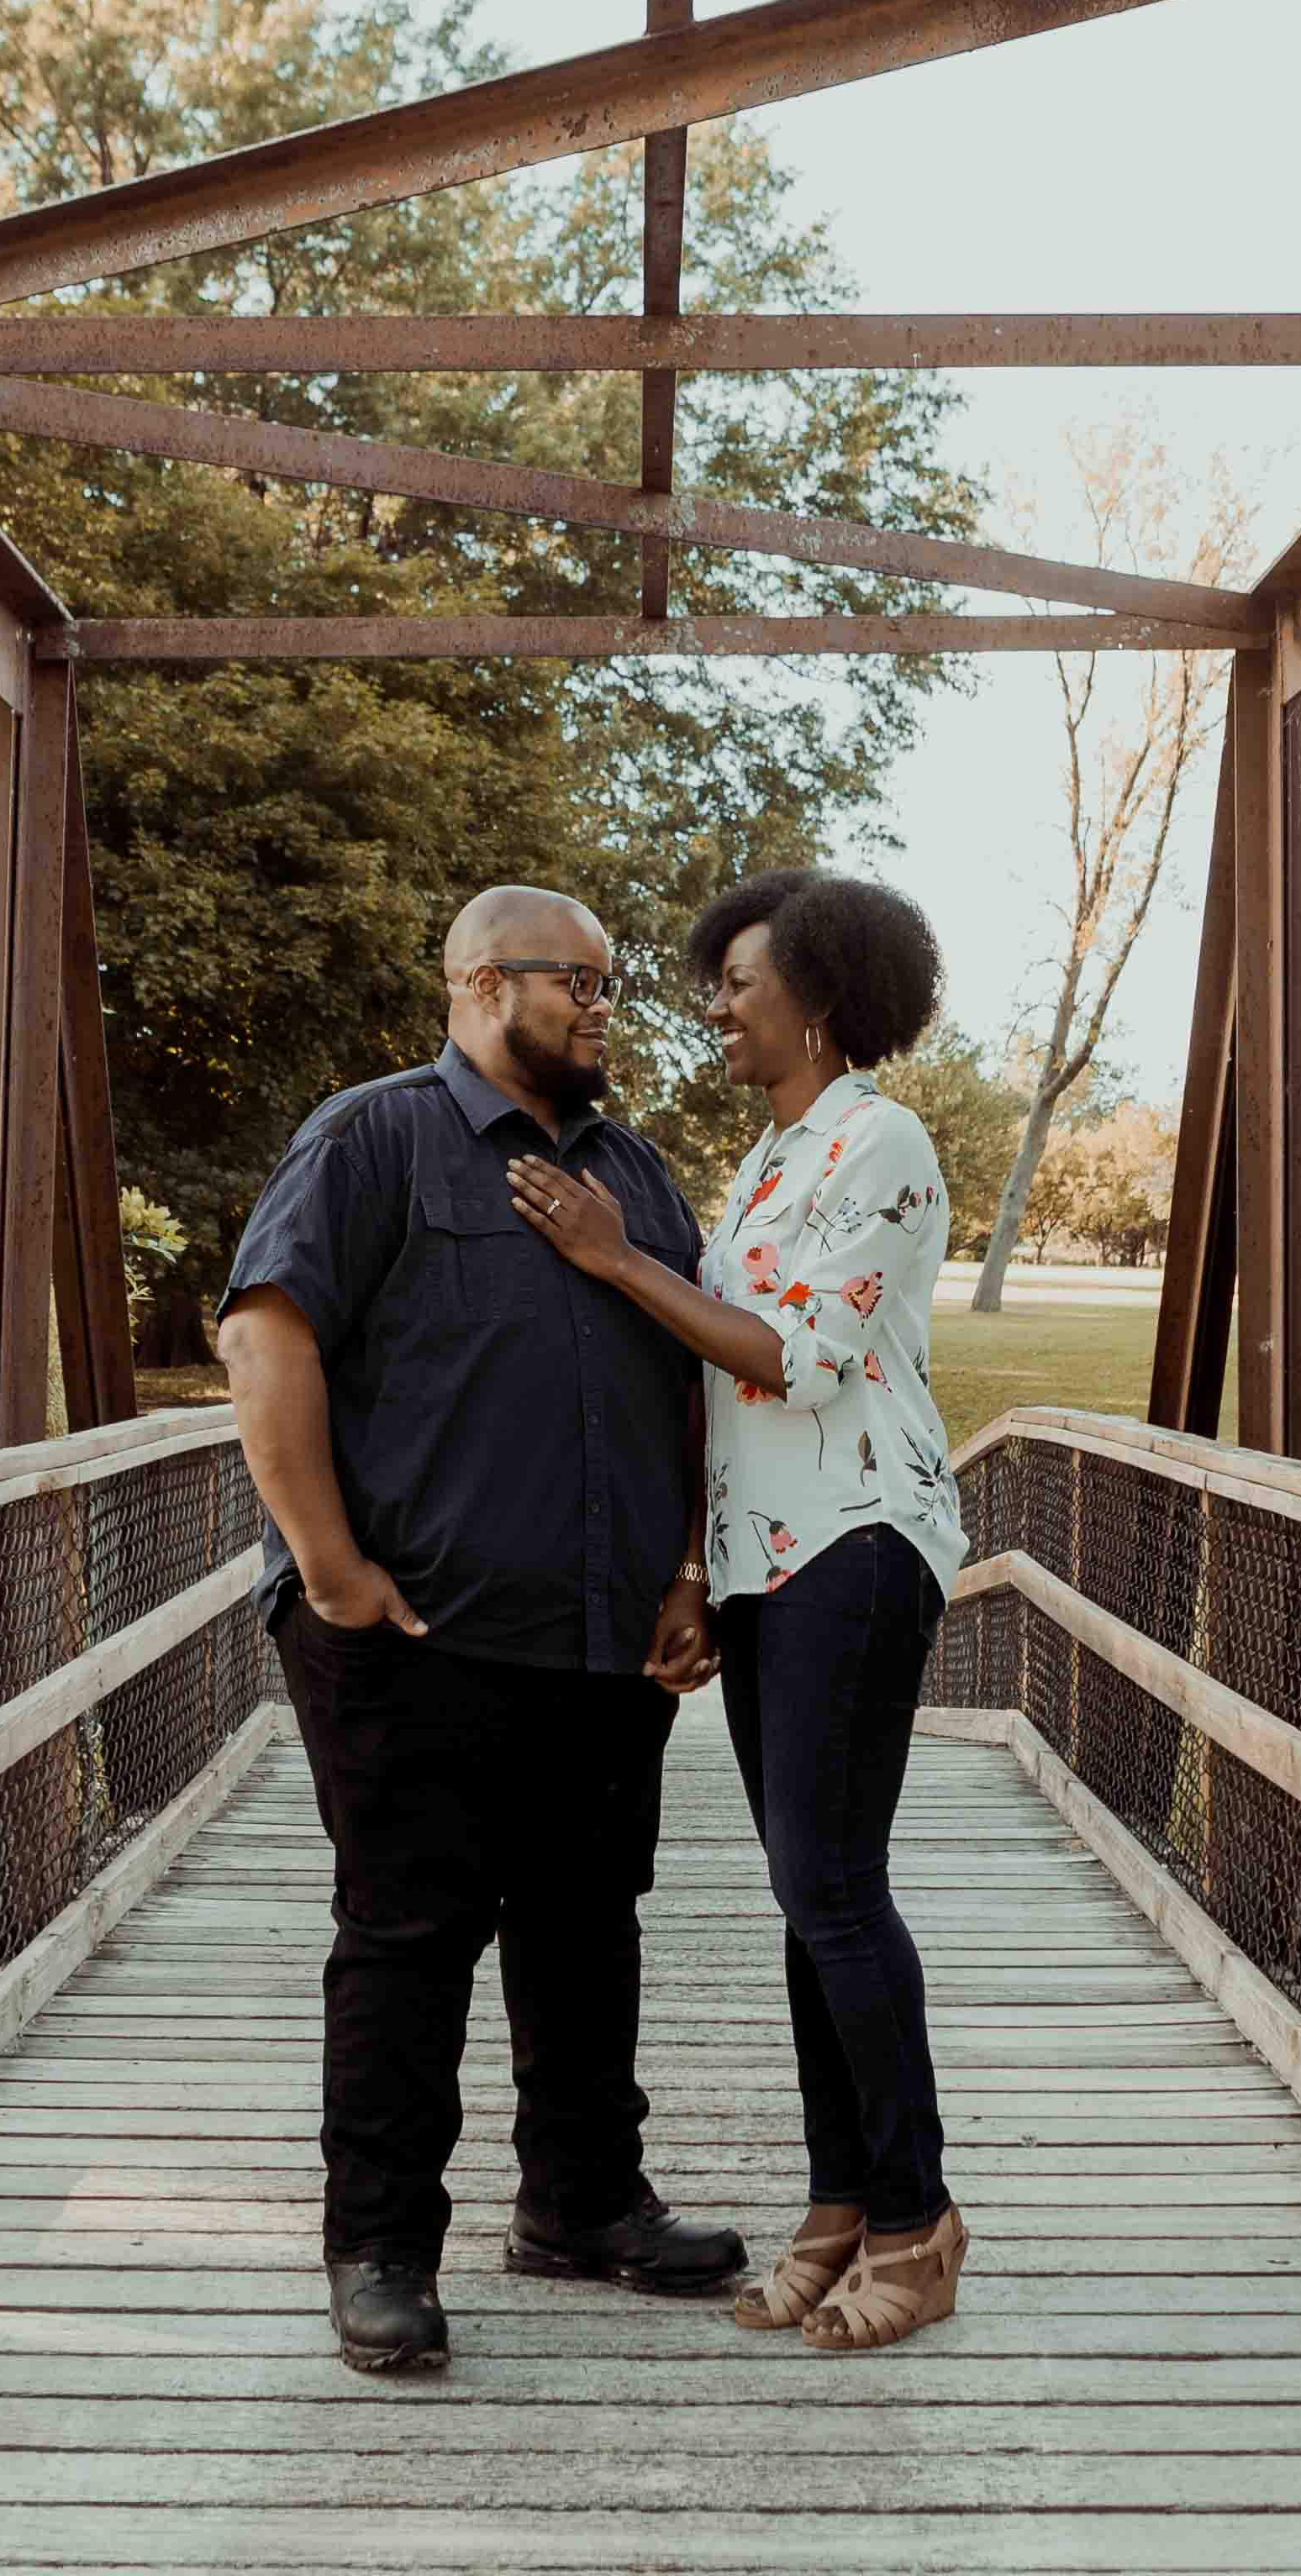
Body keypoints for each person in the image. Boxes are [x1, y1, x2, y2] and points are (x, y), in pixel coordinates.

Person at [213, 885, 748, 2375]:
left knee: (589, 1933)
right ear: (474, 984)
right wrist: (327, 1567)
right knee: (408, 1940)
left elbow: (690, 1384)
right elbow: (268, 1335)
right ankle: (381, 2247)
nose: (600, 1006)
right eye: (569, 981)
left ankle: (580, 2207)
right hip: (414, 1629)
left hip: (602, 1638)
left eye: (606, 983)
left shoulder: (636, 1174)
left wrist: (688, 1575)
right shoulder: (373, 1136)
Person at [506, 866, 972, 2354]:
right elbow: (721, 1394)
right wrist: (701, 1572)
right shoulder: (773, 1159)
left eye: (740, 981)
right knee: (803, 1892)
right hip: (774, 1554)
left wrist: (613, 1255)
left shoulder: (879, 1141)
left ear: (821, 999)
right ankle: (841, 2206)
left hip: (861, 1534)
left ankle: (916, 2217)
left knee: (835, 1887)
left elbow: (793, 1358)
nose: (715, 1004)